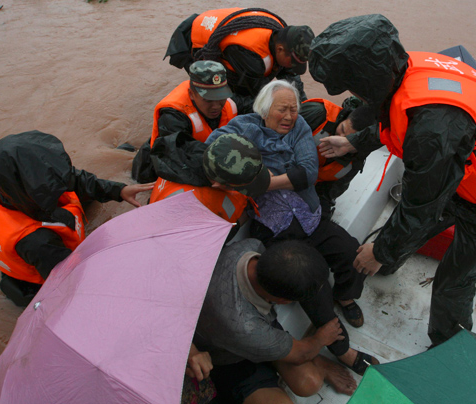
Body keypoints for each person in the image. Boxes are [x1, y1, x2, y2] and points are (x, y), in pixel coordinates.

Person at [308, 14, 476, 346]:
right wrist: (354, 141)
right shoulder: (409, 68)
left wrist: (379, 251)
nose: (354, 94)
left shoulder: (432, 130)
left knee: (453, 284)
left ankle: (447, 346)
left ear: (369, 78)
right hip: (461, 169)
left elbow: (422, 207)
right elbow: (399, 117)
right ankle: (389, 260)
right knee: (403, 226)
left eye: (354, 86)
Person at [205, 81, 377, 373]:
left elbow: (308, 173)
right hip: (275, 228)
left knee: (351, 251)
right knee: (311, 283)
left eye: (293, 109)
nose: (289, 116)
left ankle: (346, 296)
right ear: (264, 109)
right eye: (281, 109)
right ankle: (342, 349)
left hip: (309, 216)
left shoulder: (298, 130)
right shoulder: (244, 127)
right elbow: (213, 148)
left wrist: (262, 181)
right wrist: (245, 174)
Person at [0, 131, 153, 307]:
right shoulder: (38, 242)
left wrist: (118, 191)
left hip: (32, 232)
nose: (61, 184)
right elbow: (73, 279)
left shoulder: (1, 180)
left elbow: (73, 178)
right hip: (36, 277)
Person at [193, 238, 358, 403]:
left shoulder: (249, 246)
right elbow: (301, 354)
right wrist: (320, 339)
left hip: (247, 331)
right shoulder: (245, 326)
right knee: (308, 383)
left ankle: (312, 358)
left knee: (309, 383)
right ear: (283, 301)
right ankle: (309, 356)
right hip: (227, 358)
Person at [132, 60, 252, 183]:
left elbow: (256, 106)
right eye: (208, 99)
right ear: (191, 94)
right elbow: (178, 152)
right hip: (152, 166)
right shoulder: (172, 116)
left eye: (220, 96)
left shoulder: (230, 101)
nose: (216, 106)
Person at [164, 8, 314, 98]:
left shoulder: (283, 33)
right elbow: (255, 95)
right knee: (223, 95)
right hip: (192, 40)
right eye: (292, 61)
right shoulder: (251, 57)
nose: (293, 66)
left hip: (218, 26)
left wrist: (300, 102)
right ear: (280, 50)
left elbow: (290, 74)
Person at [149, 133, 270, 238]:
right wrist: (241, 220)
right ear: (217, 184)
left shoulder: (207, 154)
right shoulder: (190, 207)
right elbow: (210, 243)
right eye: (237, 187)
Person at [300, 97, 378, 219]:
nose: (339, 140)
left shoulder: (354, 162)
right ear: (345, 117)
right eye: (342, 129)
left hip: (303, 188)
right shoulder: (317, 112)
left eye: (346, 139)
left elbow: (329, 192)